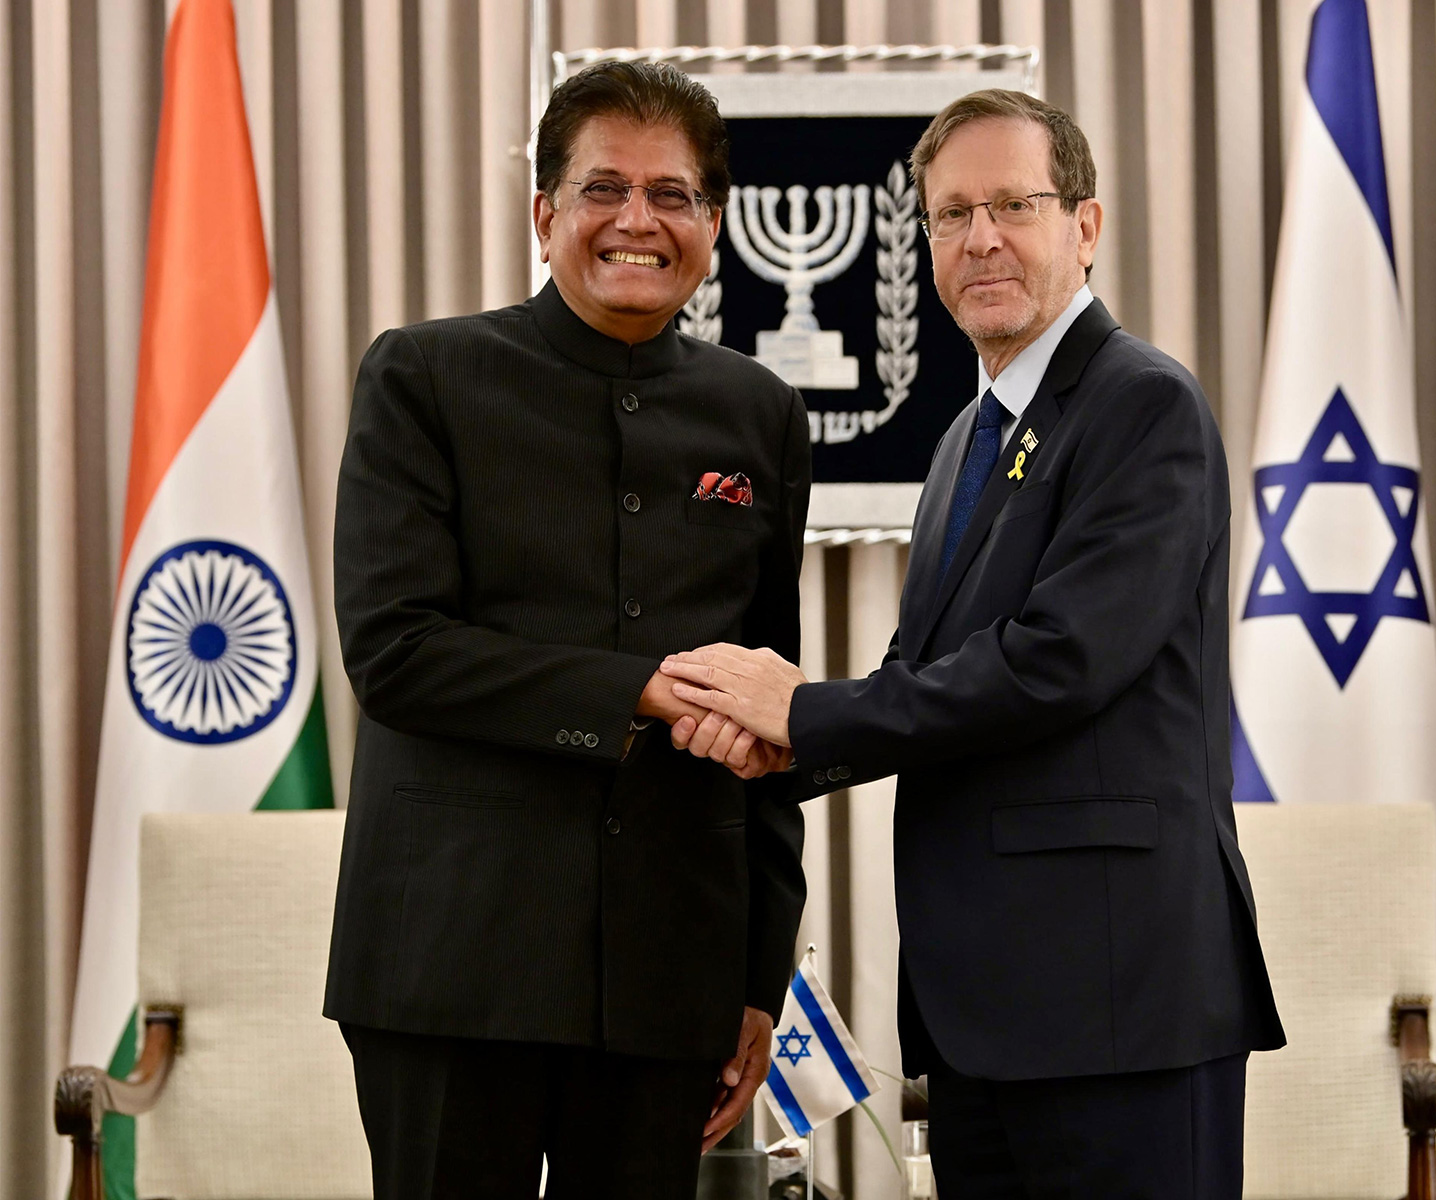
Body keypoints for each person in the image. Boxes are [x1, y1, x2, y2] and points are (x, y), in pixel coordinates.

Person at [661, 89, 1286, 1199]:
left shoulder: (1145, 406)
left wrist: (799, 711)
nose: (980, 237)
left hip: (1117, 1008)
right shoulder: (965, 438)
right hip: (987, 1022)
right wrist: (777, 749)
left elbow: (1056, 662)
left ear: (1083, 227)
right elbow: (928, 677)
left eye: (1012, 205)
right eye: (950, 214)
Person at [323, 61, 807, 1200]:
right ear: (544, 215)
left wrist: (759, 976)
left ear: (714, 225)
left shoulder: (760, 412)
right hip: (450, 965)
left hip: (668, 978)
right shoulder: (424, 376)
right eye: (603, 188)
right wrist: (634, 692)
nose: (638, 220)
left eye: (674, 194)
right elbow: (395, 650)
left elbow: (770, 711)